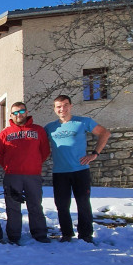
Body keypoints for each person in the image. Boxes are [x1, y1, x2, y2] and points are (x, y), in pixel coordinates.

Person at [45, 94, 111, 243]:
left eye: (65, 105)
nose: (62, 109)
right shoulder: (50, 127)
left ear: (71, 106)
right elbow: (38, 144)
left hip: (80, 171)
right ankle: (67, 234)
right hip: (60, 172)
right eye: (59, 106)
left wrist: (95, 154)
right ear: (54, 109)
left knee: (83, 204)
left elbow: (105, 133)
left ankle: (85, 235)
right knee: (62, 205)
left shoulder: (82, 122)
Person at [0, 102, 51, 245]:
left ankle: (40, 234)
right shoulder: (5, 133)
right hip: (13, 176)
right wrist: (9, 166)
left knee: (35, 205)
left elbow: (44, 151)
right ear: (11, 115)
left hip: (33, 176)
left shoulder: (38, 131)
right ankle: (13, 236)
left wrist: (34, 164)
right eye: (15, 112)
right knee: (13, 207)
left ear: (26, 112)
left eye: (21, 111)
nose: (19, 115)